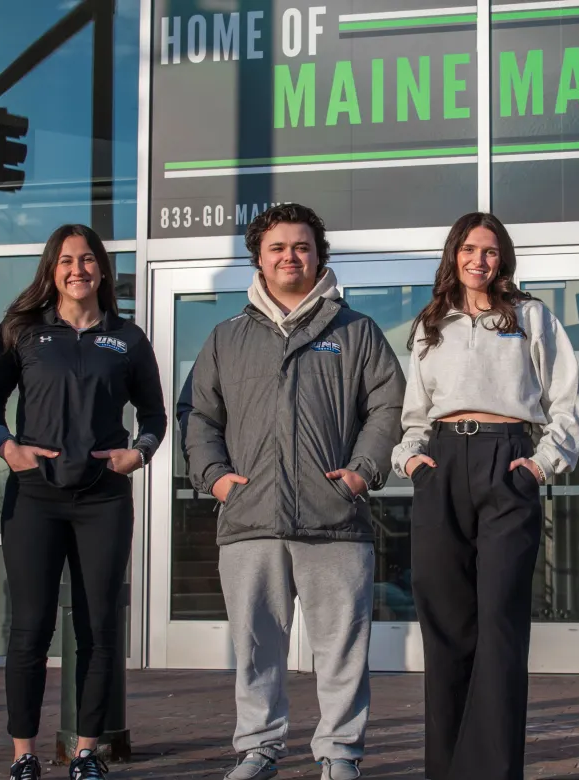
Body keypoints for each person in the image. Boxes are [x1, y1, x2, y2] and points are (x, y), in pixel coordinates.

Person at [178, 203, 405, 780]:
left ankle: (340, 754)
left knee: (342, 651)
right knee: (256, 651)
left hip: (333, 518)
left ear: (318, 256)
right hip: (250, 519)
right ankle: (258, 748)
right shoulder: (227, 338)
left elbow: (388, 406)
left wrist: (361, 472)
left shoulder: (355, 332)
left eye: (301, 247)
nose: (290, 257)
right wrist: (217, 479)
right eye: (278, 247)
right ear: (259, 256)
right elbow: (197, 416)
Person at [392, 213, 579, 780]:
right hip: (444, 464)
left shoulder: (530, 317)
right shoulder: (431, 324)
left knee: (499, 621)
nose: (480, 260)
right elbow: (414, 414)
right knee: (446, 623)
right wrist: (411, 461)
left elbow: (566, 404)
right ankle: (447, 768)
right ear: (454, 255)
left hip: (508, 460)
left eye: (492, 251)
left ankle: (492, 770)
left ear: (504, 259)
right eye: (470, 249)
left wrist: (539, 466)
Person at [0, 225, 166, 780]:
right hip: (35, 496)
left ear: (102, 270)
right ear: (51, 271)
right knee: (30, 628)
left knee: (98, 627)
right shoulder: (23, 333)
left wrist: (141, 454)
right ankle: (23, 755)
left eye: (87, 260)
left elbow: (153, 415)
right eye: (65, 261)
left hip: (104, 498)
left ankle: (86, 751)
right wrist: (6, 447)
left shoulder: (127, 338)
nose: (77, 269)